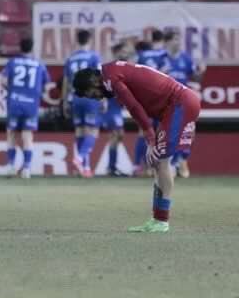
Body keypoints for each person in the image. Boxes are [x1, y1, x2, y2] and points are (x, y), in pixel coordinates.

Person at [72, 61, 202, 233]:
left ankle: (161, 221)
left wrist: (150, 138)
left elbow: (134, 107)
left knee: (161, 161)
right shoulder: (112, 72)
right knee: (158, 162)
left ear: (93, 81)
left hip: (179, 103)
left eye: (91, 94)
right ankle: (158, 218)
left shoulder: (111, 78)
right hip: (176, 104)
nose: (97, 98)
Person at [2, 37, 50, 179]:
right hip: (31, 104)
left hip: (15, 102)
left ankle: (11, 167)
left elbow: (3, 81)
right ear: (32, 48)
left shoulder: (12, 62)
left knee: (11, 134)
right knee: (27, 136)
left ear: (20, 47)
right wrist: (37, 93)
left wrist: (12, 90)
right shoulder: (39, 64)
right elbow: (46, 86)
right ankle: (27, 169)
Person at [162, 30, 206, 179]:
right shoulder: (161, 58)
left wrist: (201, 72)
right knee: (170, 134)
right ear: (167, 42)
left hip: (183, 100)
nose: (178, 42)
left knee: (189, 131)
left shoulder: (186, 58)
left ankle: (182, 159)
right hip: (165, 102)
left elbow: (195, 77)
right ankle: (171, 163)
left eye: (178, 39)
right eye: (175, 39)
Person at [61, 29, 102, 178]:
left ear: (77, 40)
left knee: (80, 131)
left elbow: (66, 81)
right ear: (89, 40)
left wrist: (65, 101)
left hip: (75, 98)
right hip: (90, 97)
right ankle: (79, 158)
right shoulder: (94, 56)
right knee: (92, 132)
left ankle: (85, 167)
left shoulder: (70, 58)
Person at [132, 29, 169, 175]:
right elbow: (166, 73)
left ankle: (137, 165)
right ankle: (155, 167)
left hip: (144, 98)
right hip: (159, 97)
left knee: (143, 132)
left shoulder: (141, 56)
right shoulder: (163, 55)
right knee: (160, 132)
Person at [100, 43, 130, 177]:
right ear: (117, 52)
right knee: (116, 134)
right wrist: (103, 99)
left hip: (117, 106)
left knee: (118, 135)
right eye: (123, 51)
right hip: (111, 106)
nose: (125, 54)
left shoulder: (124, 66)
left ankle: (111, 167)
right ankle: (111, 167)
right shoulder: (110, 67)